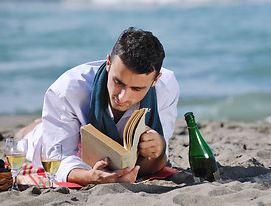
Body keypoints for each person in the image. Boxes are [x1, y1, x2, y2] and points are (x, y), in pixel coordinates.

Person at [16, 27, 179, 186]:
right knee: (29, 140)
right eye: (118, 82)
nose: (123, 97)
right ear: (108, 63)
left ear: (155, 80)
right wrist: (91, 177)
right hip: (72, 141)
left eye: (136, 89)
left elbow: (158, 159)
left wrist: (159, 148)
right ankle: (33, 128)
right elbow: (58, 161)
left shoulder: (165, 87)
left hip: (114, 150)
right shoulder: (68, 90)